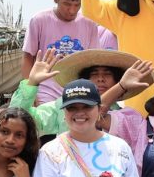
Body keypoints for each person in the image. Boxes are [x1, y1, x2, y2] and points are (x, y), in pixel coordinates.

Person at [22, 0, 118, 105]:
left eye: (77, 5)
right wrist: (31, 94)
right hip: (45, 92)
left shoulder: (89, 23)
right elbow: (28, 57)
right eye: (67, 4)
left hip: (78, 94)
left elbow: (93, 61)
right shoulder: (39, 20)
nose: (72, 10)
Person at [13, 49, 147, 138]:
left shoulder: (127, 116)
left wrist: (120, 87)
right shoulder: (62, 106)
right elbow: (19, 120)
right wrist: (32, 83)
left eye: (107, 74)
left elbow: (98, 115)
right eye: (94, 74)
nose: (100, 79)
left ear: (118, 80)